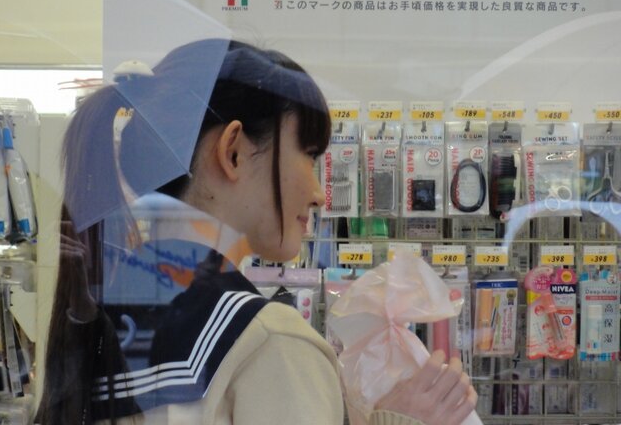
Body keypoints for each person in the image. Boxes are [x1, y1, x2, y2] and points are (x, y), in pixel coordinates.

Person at [37, 39, 477, 425]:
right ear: (233, 153)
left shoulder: (104, 322)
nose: (319, 194)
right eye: (308, 154)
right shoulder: (270, 342)